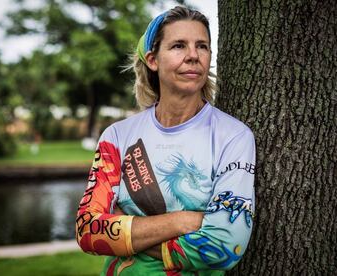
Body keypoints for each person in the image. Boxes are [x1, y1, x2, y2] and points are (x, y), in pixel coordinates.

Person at [75, 6, 255, 275]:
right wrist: (183, 221)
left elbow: (224, 247)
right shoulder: (117, 136)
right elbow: (88, 230)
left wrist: (127, 233)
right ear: (152, 60)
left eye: (202, 46)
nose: (193, 56)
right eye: (178, 46)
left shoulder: (233, 136)